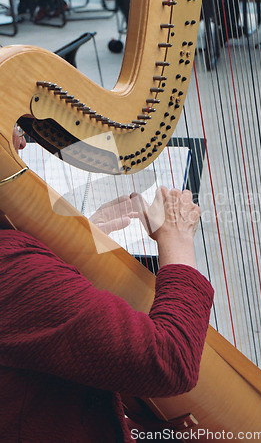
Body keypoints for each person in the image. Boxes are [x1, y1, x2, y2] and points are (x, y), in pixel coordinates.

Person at [0, 125, 214, 442]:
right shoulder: (13, 267)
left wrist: (76, 243)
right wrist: (177, 240)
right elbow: (171, 361)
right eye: (10, 127)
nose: (21, 142)